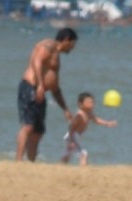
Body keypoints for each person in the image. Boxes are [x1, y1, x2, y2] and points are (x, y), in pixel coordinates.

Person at [16, 28, 78, 162]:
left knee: (38, 131)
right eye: (72, 44)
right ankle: (18, 160)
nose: (72, 49)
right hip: (30, 87)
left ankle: (31, 161)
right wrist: (40, 84)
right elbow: (36, 61)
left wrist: (65, 109)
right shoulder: (48, 45)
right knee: (28, 126)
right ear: (67, 40)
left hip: (41, 91)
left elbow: (55, 88)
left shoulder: (57, 56)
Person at [61, 92, 118, 166]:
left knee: (67, 156)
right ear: (80, 104)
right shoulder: (79, 115)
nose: (91, 104)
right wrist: (72, 140)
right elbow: (71, 127)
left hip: (75, 136)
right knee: (83, 154)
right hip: (71, 136)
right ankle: (84, 172)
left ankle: (59, 167)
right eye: (88, 102)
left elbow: (96, 120)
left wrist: (107, 123)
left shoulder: (89, 113)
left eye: (92, 102)